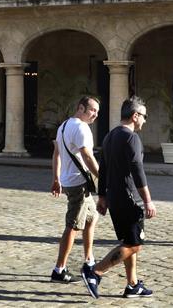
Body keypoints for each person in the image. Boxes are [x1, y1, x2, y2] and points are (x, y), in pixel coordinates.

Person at [82, 96, 156, 299]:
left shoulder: (110, 135)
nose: (145, 120)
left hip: (114, 197)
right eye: (144, 116)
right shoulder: (131, 138)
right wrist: (148, 200)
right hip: (129, 198)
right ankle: (95, 272)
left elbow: (103, 168)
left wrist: (103, 196)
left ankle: (132, 284)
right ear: (135, 116)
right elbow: (137, 170)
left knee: (128, 241)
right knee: (134, 244)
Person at [50, 96, 100, 284]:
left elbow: (56, 154)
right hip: (78, 184)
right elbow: (87, 156)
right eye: (92, 110)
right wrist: (102, 177)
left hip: (71, 182)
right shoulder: (81, 128)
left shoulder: (63, 126)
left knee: (92, 217)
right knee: (72, 226)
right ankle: (59, 270)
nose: (95, 114)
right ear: (81, 108)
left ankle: (89, 260)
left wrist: (56, 178)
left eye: (97, 111)